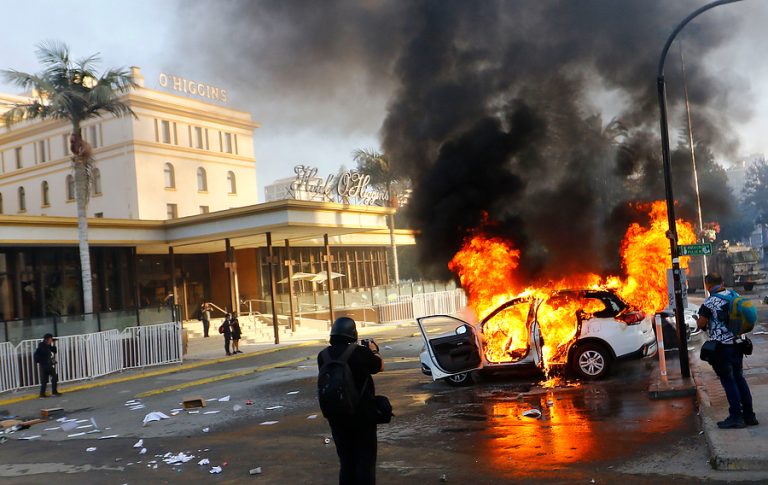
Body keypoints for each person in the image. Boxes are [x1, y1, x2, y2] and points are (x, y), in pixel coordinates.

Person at [317, 316, 383, 485]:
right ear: (353, 333)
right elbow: (379, 366)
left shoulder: (323, 356)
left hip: (336, 416)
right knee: (365, 462)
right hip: (362, 416)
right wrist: (374, 351)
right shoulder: (360, 353)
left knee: (346, 462)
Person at [697, 272, 758, 429]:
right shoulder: (733, 294)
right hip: (739, 344)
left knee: (728, 381)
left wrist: (701, 319)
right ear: (722, 282)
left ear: (708, 285)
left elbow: (701, 324)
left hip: (722, 348)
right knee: (739, 379)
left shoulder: (709, 303)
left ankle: (736, 417)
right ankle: (749, 415)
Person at [33, 333, 60, 398]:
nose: (51, 340)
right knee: (46, 380)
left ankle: (46, 393)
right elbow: (43, 352)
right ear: (48, 339)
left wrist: (53, 344)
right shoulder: (42, 345)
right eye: (51, 338)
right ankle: (45, 394)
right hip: (44, 365)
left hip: (48, 364)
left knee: (53, 377)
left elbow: (54, 351)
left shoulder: (48, 345)